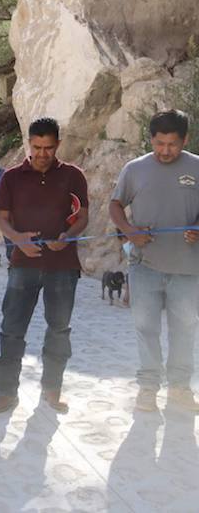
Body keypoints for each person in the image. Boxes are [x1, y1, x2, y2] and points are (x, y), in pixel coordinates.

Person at [0, 117, 89, 414]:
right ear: (28, 144)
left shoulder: (74, 175)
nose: (43, 153)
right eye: (37, 147)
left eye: (49, 147)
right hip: (23, 264)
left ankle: (52, 389)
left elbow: (82, 216)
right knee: (12, 329)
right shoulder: (12, 177)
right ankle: (6, 392)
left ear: (58, 144)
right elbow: (1, 218)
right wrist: (18, 239)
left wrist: (68, 237)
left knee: (59, 329)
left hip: (63, 265)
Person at [110, 109, 199, 413]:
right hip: (144, 266)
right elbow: (116, 205)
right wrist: (130, 232)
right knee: (145, 327)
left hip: (189, 270)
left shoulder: (197, 167)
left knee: (184, 329)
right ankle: (148, 389)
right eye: (159, 143)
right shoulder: (134, 169)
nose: (165, 150)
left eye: (172, 144)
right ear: (151, 139)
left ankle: (179, 389)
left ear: (185, 139)